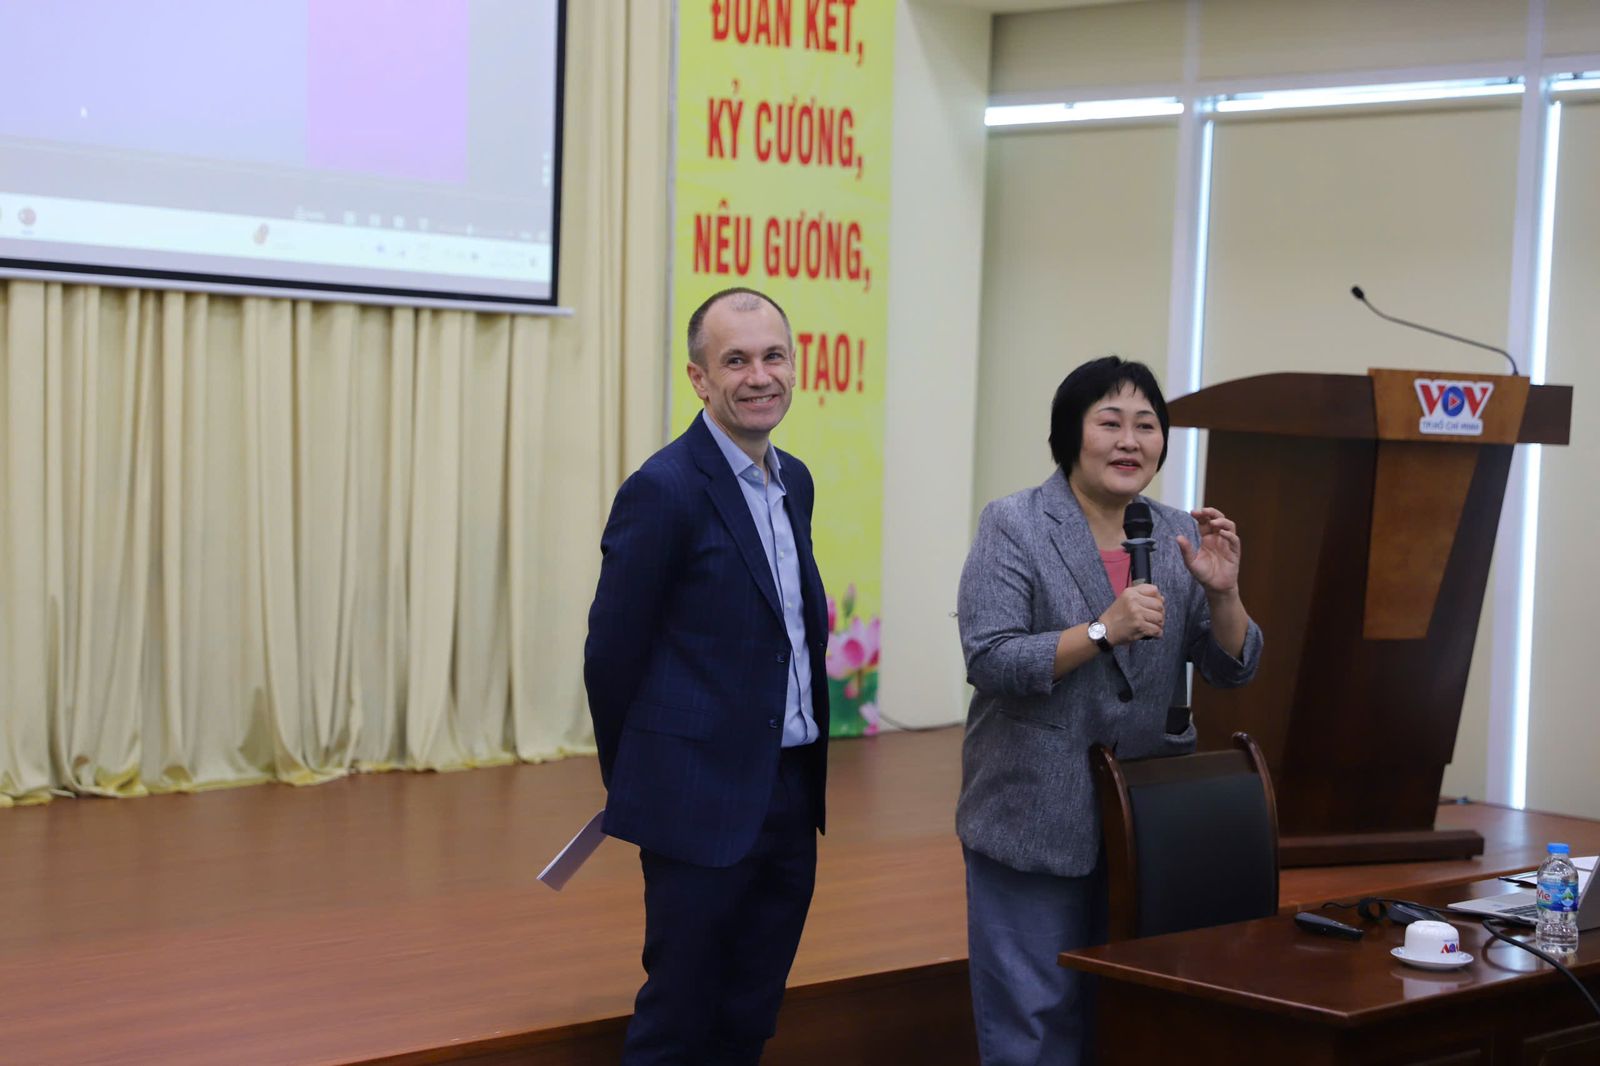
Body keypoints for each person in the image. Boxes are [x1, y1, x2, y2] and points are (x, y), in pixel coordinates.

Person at [956, 356, 1262, 1066]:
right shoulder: (1015, 524)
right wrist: (1102, 630)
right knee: (1034, 1025)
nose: (1130, 441)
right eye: (1110, 423)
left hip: (1148, 820)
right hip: (1035, 813)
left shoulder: (1177, 531)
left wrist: (1224, 593)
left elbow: (1232, 667)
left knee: (1131, 1018)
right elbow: (992, 659)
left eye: (1147, 426)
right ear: (1072, 433)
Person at [584, 286, 830, 1065]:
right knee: (679, 1018)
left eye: (773, 356)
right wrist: (648, 784)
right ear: (699, 378)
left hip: (789, 789)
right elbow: (611, 655)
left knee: (751, 1012)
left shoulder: (795, 480)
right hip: (696, 799)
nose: (759, 377)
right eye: (735, 361)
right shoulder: (664, 489)